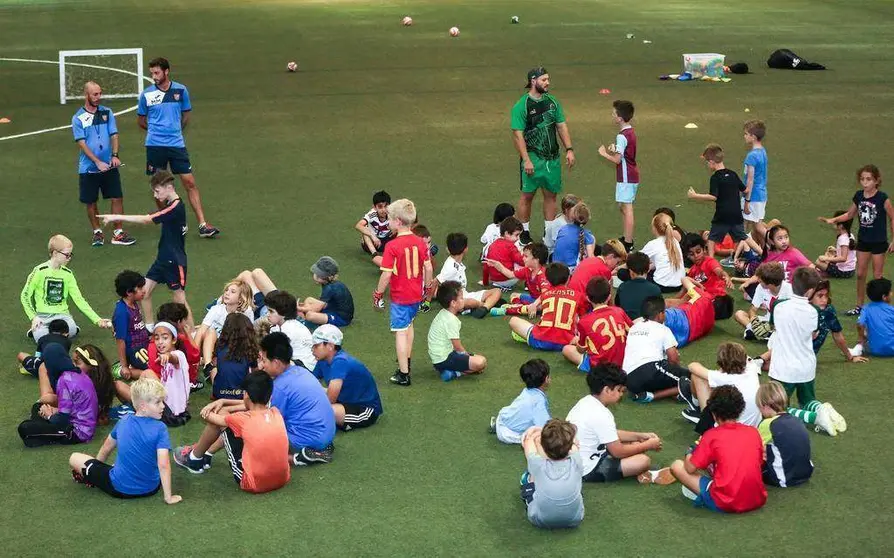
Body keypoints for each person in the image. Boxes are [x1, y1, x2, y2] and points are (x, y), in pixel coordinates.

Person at [175, 332, 335, 470]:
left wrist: (224, 409)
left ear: (276, 363)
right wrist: (225, 401)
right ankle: (202, 453)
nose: (261, 365)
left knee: (243, 426)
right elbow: (259, 403)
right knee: (237, 418)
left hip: (305, 440)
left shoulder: (280, 387)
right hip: (324, 435)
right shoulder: (298, 370)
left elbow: (256, 412)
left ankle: (199, 456)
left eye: (264, 360)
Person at [98, 170, 194, 330]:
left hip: (174, 261)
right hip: (162, 259)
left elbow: (147, 219)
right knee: (144, 293)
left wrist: (117, 217)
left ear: (169, 187)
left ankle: (192, 335)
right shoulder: (171, 205)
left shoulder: (175, 207)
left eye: (157, 191)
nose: (156, 196)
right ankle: (149, 328)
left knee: (180, 300)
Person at [137, 56, 219, 238]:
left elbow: (186, 113)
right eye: (151, 73)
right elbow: (141, 120)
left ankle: (203, 225)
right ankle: (170, 222)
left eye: (157, 72)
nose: (154, 76)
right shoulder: (147, 95)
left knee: (189, 182)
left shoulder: (181, 91)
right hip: (155, 146)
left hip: (176, 145)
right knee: (158, 186)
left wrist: (175, 130)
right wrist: (156, 132)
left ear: (166, 71)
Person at [69, 377, 181, 504]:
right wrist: (168, 497)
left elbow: (106, 448)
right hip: (151, 488)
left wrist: (97, 467)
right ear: (143, 406)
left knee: (74, 457)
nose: (163, 406)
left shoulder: (124, 421)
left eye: (162, 402)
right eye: (158, 402)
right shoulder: (161, 428)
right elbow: (163, 465)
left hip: (119, 488)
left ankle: (90, 476)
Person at [767, 267, 845, 436]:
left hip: (783, 369)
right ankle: (820, 408)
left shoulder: (779, 305)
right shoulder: (814, 311)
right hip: (806, 366)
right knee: (807, 400)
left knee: (775, 410)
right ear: (810, 290)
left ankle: (814, 417)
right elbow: (814, 334)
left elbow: (773, 327)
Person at [669, 385, 766, 513]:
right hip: (757, 499)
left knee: (677, 466)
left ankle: (705, 494)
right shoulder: (753, 432)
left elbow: (689, 468)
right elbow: (758, 462)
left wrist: (690, 451)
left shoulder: (711, 435)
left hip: (725, 502)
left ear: (714, 413)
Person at [194, 372, 291, 494]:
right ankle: (205, 453)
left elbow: (214, 418)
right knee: (238, 427)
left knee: (225, 424)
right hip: (283, 479)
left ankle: (195, 457)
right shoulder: (276, 412)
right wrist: (224, 403)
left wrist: (206, 410)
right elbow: (252, 406)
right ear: (270, 396)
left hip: (253, 484)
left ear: (246, 395)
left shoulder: (242, 419)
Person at [566, 363, 663, 483]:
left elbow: (608, 433)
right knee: (643, 461)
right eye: (619, 390)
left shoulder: (585, 402)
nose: (622, 394)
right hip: (587, 470)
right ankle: (643, 473)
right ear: (607, 390)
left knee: (636, 443)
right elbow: (618, 452)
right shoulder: (602, 414)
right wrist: (648, 445)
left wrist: (640, 435)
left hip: (576, 460)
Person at [510, 67, 575, 245]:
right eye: (544, 79)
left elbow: (561, 126)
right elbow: (518, 135)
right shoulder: (521, 105)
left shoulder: (552, 102)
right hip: (533, 158)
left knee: (551, 195)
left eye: (548, 79)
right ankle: (524, 233)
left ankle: (549, 232)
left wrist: (569, 149)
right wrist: (526, 159)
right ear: (533, 81)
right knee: (527, 195)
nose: (548, 83)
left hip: (552, 159)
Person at [819, 165, 894, 316]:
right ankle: (859, 306)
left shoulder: (882, 198)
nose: (865, 183)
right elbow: (849, 214)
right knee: (860, 274)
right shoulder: (859, 196)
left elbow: (892, 218)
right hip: (864, 241)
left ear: (876, 180)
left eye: (868, 179)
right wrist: (832, 219)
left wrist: (893, 240)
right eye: (862, 179)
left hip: (879, 242)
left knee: (877, 276)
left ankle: (879, 307)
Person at [373, 198, 433, 387]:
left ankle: (403, 373)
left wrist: (378, 294)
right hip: (416, 294)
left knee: (399, 332)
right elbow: (428, 267)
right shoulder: (420, 242)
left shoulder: (392, 246)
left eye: (390, 219)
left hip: (400, 296)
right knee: (409, 326)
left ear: (398, 221)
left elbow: (386, 275)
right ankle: (406, 360)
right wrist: (427, 288)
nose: (388, 222)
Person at [72, 81, 135, 247]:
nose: (98, 97)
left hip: (109, 166)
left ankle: (118, 233)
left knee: (117, 197)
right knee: (91, 201)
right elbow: (82, 144)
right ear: (86, 95)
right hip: (89, 169)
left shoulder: (107, 113)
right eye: (95, 94)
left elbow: (114, 135)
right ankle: (97, 232)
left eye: (100, 93)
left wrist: (114, 155)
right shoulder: (78, 118)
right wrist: (97, 162)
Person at [21, 234, 111, 342]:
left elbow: (79, 299)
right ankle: (37, 330)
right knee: (43, 339)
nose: (69, 258)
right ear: (55, 253)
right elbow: (25, 295)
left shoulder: (68, 274)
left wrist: (97, 320)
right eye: (66, 255)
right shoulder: (39, 271)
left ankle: (63, 328)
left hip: (62, 316)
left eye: (70, 254)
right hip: (42, 317)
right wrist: (34, 317)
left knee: (71, 331)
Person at [311, 325, 383, 430]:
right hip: (344, 400)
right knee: (314, 394)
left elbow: (331, 398)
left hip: (365, 409)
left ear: (330, 346)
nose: (312, 350)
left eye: (316, 346)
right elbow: (310, 382)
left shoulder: (340, 362)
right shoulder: (323, 360)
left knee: (325, 410)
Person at [18, 352, 98, 447]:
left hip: (76, 432)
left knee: (25, 428)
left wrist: (49, 416)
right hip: (77, 419)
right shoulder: (76, 373)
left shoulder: (64, 380)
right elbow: (70, 406)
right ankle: (42, 428)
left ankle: (44, 433)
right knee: (38, 406)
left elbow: (63, 419)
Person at [686, 144, 750, 258]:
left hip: (722, 215)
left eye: (707, 162)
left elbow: (713, 197)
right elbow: (745, 190)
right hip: (736, 213)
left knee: (712, 239)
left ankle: (710, 259)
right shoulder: (732, 174)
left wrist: (695, 195)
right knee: (739, 237)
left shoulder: (715, 177)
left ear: (712, 162)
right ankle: (736, 257)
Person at [519, 419, 584, 529]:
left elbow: (528, 441)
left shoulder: (537, 463)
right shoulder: (577, 459)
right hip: (575, 518)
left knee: (530, 476)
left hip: (540, 519)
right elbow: (574, 444)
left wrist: (537, 432)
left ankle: (528, 489)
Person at [621, 296, 688, 403]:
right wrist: (677, 371)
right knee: (693, 379)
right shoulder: (663, 329)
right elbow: (673, 359)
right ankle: (653, 396)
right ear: (660, 314)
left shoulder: (634, 327)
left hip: (629, 380)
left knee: (666, 377)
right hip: (650, 370)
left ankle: (670, 392)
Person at [681, 342, 761, 429]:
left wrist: (721, 369)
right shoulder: (752, 368)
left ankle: (699, 410)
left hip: (725, 429)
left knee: (697, 377)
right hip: (753, 427)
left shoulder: (722, 377)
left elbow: (692, 366)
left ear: (720, 363)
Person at [509, 263, 584, 352]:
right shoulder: (578, 295)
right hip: (565, 342)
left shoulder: (545, 294)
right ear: (568, 278)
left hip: (540, 339)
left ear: (548, 280)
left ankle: (527, 334)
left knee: (513, 321)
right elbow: (581, 320)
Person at [563, 277, 632, 371]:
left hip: (601, 366)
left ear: (588, 298)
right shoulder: (619, 311)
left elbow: (581, 350)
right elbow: (633, 331)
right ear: (609, 297)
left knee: (567, 349)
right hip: (624, 361)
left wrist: (578, 342)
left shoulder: (584, 321)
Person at [429, 233, 502, 319]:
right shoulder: (450, 267)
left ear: (447, 249)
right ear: (466, 249)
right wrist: (427, 301)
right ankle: (485, 306)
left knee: (497, 291)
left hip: (464, 295)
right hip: (457, 300)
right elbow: (435, 282)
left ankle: (484, 306)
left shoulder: (457, 263)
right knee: (470, 302)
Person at [427, 281, 488, 382]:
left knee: (476, 360)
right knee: (481, 362)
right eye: (461, 298)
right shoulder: (451, 320)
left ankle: (451, 369)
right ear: (453, 303)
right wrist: (467, 356)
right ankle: (454, 373)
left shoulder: (444, 313)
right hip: (444, 359)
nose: (463, 300)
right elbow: (457, 346)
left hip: (439, 358)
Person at [756, 381, 814, 487]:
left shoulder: (767, 424)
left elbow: (757, 450)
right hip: (806, 472)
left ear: (765, 406)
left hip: (782, 478)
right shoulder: (796, 419)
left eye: (759, 407)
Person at [598, 100, 638, 252]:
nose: (612, 115)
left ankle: (628, 243)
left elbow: (617, 159)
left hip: (626, 176)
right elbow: (625, 151)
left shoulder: (621, 136)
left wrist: (604, 154)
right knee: (623, 206)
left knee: (627, 208)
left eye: (614, 113)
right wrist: (616, 149)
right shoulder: (630, 132)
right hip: (631, 173)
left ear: (620, 118)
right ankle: (626, 237)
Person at [195, 279, 255, 377]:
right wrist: (194, 356)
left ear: (240, 299)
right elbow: (201, 331)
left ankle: (212, 362)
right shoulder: (216, 309)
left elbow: (248, 336)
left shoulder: (246, 312)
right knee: (210, 331)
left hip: (231, 347)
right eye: (227, 290)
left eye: (232, 292)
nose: (227, 293)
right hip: (211, 345)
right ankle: (207, 365)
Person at [491, 359, 551, 444]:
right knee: (537, 436)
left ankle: (496, 426)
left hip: (502, 419)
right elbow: (545, 428)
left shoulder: (527, 391)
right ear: (546, 379)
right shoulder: (538, 401)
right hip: (510, 435)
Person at [734, 262, 792, 341]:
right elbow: (753, 309)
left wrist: (771, 326)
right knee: (739, 314)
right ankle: (763, 333)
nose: (758, 281)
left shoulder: (790, 291)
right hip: (767, 320)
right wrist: (754, 321)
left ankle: (761, 333)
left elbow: (792, 318)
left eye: (760, 281)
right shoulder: (760, 287)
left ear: (770, 284)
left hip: (785, 324)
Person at [148, 302, 200, 390]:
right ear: (179, 322)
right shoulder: (181, 339)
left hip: (156, 381)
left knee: (146, 373)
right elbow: (196, 356)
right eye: (184, 320)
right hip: (177, 383)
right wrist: (188, 334)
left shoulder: (153, 342)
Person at [487, 242, 551, 314]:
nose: (523, 258)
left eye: (526, 256)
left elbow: (545, 294)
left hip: (544, 301)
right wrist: (498, 265)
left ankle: (507, 310)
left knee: (541, 307)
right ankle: (520, 307)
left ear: (536, 260)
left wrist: (534, 305)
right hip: (533, 298)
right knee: (514, 295)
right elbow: (510, 275)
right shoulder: (527, 270)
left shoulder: (543, 275)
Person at [111, 270, 150, 385]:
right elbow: (120, 340)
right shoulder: (122, 312)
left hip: (145, 344)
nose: (144, 290)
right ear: (129, 292)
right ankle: (120, 369)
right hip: (135, 350)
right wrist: (124, 366)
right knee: (153, 372)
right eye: (140, 288)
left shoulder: (134, 303)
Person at [211, 313, 257, 401]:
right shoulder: (249, 349)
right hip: (240, 395)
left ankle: (215, 394)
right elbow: (255, 373)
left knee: (214, 370)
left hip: (220, 393)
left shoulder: (220, 345)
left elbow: (215, 362)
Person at [265, 290, 315, 371]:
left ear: (283, 312)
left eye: (271, 311)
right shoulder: (278, 327)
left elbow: (278, 355)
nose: (267, 314)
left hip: (304, 366)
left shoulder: (290, 329)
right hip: (294, 361)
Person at [298, 256, 355, 326]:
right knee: (309, 299)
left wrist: (300, 308)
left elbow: (316, 309)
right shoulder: (330, 283)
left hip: (341, 318)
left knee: (310, 315)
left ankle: (305, 322)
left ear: (327, 277)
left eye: (318, 275)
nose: (314, 276)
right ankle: (307, 315)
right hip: (333, 308)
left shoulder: (330, 288)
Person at [741, 120, 769, 243]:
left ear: (753, 137)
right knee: (755, 226)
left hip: (753, 196)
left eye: (746, 134)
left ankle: (779, 243)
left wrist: (747, 201)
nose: (745, 136)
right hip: (761, 194)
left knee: (751, 227)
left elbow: (750, 180)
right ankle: (764, 250)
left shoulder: (751, 156)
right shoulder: (763, 151)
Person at [641, 213, 684, 293]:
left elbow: (635, 260)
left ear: (654, 228)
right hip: (679, 284)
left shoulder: (653, 244)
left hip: (661, 285)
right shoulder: (675, 241)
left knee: (624, 272)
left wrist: (618, 268)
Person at [72, 345, 115, 424]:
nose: (73, 365)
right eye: (73, 362)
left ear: (90, 366)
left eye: (77, 363)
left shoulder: (94, 383)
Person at [682, 234, 733, 300]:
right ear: (688, 256)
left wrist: (726, 276)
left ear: (704, 250)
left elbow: (719, 271)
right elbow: (684, 290)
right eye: (692, 254)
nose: (696, 256)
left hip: (716, 299)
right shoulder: (692, 270)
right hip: (702, 299)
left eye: (698, 251)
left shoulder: (710, 262)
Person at [615, 252, 660, 320]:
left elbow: (618, 306)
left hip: (628, 325)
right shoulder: (655, 289)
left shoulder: (622, 287)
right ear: (648, 269)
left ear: (630, 271)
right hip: (648, 325)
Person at [855, 277, 894, 357]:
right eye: (890, 291)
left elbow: (860, 324)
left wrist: (861, 338)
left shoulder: (866, 308)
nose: (892, 293)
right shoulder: (891, 310)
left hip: (874, 350)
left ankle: (859, 347)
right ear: (884, 297)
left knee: (867, 332)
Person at [481, 216, 524, 288]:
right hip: (508, 279)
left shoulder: (492, 245)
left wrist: (485, 282)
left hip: (494, 279)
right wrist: (524, 253)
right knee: (529, 260)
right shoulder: (510, 246)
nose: (518, 238)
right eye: (517, 235)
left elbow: (486, 265)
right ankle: (529, 284)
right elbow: (522, 261)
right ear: (507, 233)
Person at [552, 202, 595, 270]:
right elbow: (591, 259)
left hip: (554, 268)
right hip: (570, 270)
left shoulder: (562, 229)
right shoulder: (588, 236)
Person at [356, 190, 394, 266]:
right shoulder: (372, 214)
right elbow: (358, 225)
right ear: (374, 207)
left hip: (385, 242)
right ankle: (375, 255)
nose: (383, 210)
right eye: (380, 207)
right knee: (365, 229)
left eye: (386, 206)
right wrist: (373, 236)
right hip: (372, 243)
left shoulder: (392, 214)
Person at [815, 211, 856, 278]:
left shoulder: (843, 239)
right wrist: (835, 250)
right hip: (849, 269)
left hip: (844, 271)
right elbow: (847, 251)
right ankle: (827, 271)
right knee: (829, 252)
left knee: (818, 262)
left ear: (841, 225)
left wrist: (827, 258)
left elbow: (843, 258)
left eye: (835, 221)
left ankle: (827, 274)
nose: (833, 223)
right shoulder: (850, 235)